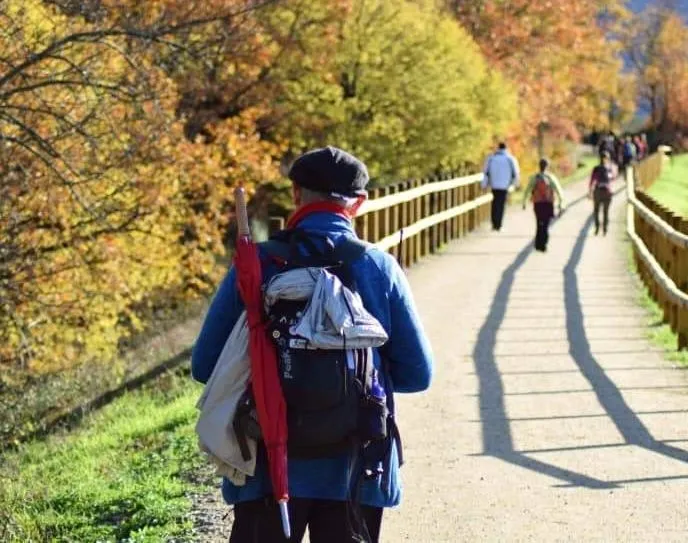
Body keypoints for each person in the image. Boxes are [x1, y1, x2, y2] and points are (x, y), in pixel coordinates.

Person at [191, 146, 434, 543]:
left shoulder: (258, 264)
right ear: (359, 203)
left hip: (267, 467)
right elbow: (418, 374)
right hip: (357, 469)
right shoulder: (378, 267)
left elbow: (205, 366)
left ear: (296, 194)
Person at [522, 158, 566, 252]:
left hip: (537, 203)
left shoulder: (535, 177)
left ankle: (538, 244)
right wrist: (561, 204)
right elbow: (558, 191)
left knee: (539, 223)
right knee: (545, 225)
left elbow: (528, 190)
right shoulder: (550, 177)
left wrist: (524, 202)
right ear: (547, 166)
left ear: (539, 166)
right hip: (548, 204)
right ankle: (544, 244)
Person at [481, 142, 520, 231]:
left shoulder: (492, 158)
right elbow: (515, 172)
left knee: (494, 203)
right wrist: (515, 184)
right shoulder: (510, 158)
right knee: (501, 204)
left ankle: (494, 223)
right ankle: (499, 224)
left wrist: (484, 184)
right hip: (505, 185)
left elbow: (486, 172)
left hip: (494, 184)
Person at [589, 151, 618, 236]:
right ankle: (603, 228)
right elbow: (613, 178)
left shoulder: (596, 168)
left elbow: (592, 181)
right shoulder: (609, 168)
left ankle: (599, 228)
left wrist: (590, 191)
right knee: (603, 211)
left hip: (599, 191)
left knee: (598, 211)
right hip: (606, 191)